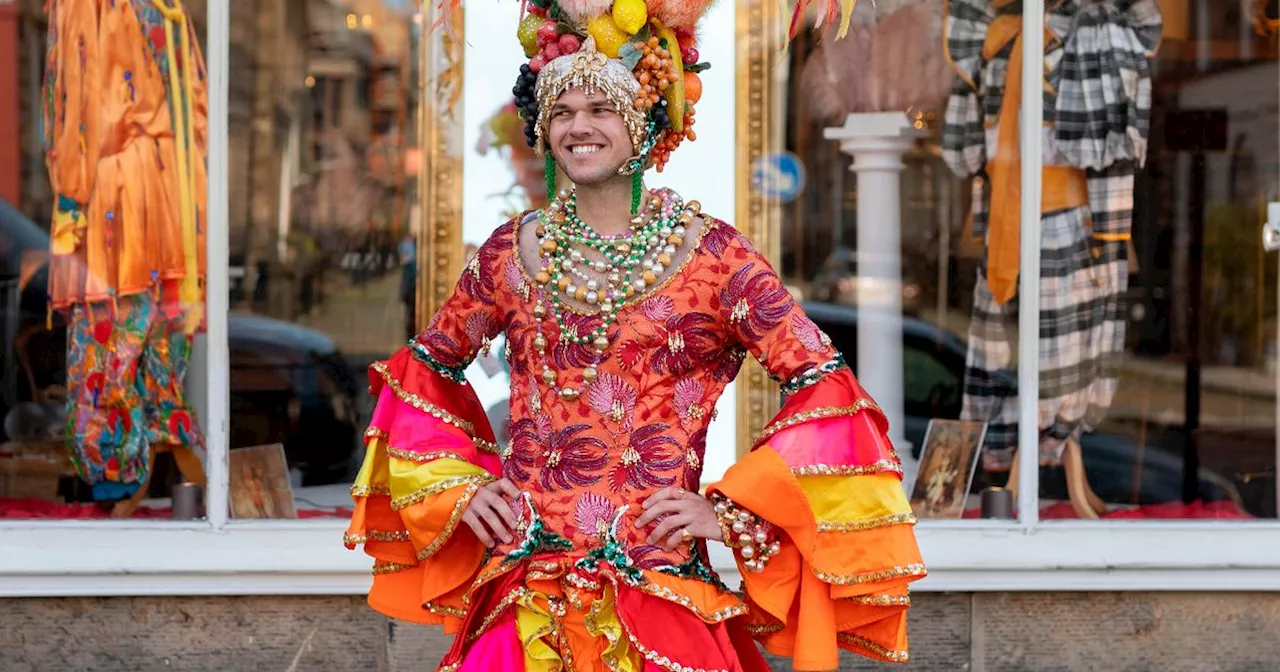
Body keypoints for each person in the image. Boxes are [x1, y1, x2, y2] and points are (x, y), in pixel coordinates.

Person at [344, 2, 925, 669]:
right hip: (523, 597)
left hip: (661, 595)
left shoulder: (714, 258)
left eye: (600, 109)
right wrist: (461, 486)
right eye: (561, 112)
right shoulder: (511, 253)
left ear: (647, 123)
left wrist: (732, 512)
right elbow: (425, 367)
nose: (578, 127)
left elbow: (825, 385)